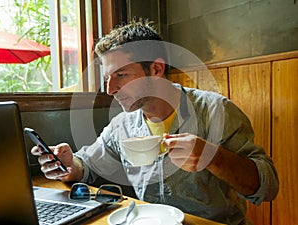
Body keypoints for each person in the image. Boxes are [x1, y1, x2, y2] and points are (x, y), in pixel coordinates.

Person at [31, 19, 279, 225]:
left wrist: (213, 157)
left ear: (157, 69)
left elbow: (267, 187)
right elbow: (87, 164)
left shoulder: (215, 111)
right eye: (108, 77)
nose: (110, 89)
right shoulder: (122, 125)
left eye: (121, 75)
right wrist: (69, 165)